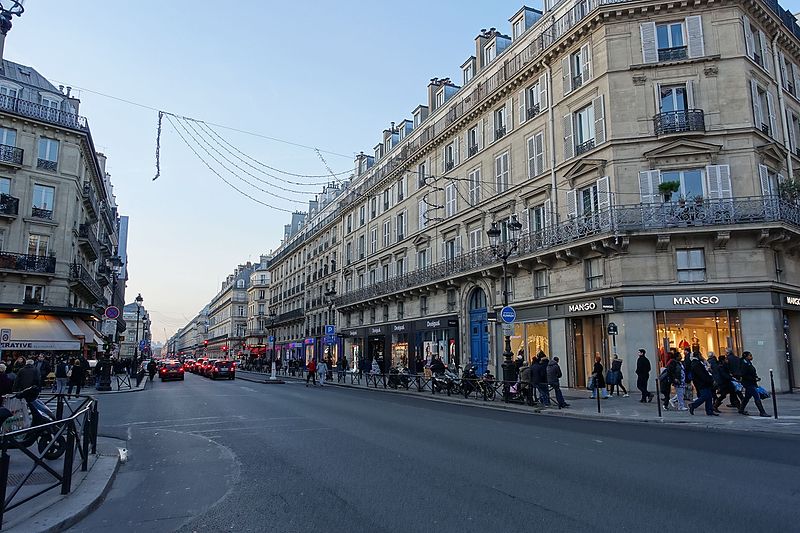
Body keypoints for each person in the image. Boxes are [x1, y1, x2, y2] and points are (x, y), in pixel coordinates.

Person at [738, 351, 769, 417]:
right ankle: (762, 412)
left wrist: (756, 377)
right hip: (749, 383)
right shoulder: (744, 364)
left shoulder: (748, 363)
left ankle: (741, 409)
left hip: (751, 383)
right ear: (746, 357)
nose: (751, 357)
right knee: (756, 397)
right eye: (750, 355)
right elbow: (744, 374)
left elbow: (751, 372)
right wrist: (754, 379)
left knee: (747, 397)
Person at [689, 352, 717, 416]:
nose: (701, 356)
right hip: (702, 383)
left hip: (703, 382)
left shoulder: (698, 362)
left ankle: (709, 410)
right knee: (705, 396)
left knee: (709, 396)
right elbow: (702, 375)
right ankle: (693, 405)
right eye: (700, 355)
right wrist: (709, 380)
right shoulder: (696, 364)